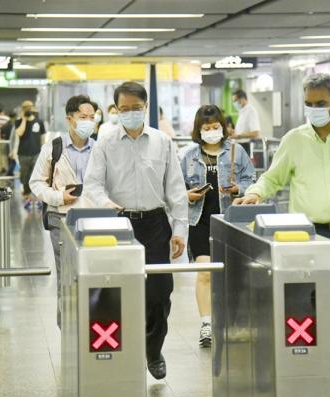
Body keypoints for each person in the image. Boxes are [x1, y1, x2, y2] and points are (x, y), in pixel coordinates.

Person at [234, 73, 330, 358]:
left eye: (320, 102)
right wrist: (255, 193)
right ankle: (305, 366)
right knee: (304, 305)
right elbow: (272, 178)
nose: (313, 108)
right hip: (306, 235)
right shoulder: (294, 139)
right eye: (308, 103)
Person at [83, 81, 188, 380]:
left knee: (158, 294)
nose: (129, 113)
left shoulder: (162, 142)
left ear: (145, 107)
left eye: (135, 108)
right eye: (123, 109)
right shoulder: (105, 141)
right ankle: (119, 349)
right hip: (119, 224)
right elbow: (92, 182)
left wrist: (179, 229)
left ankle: (153, 351)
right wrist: (107, 205)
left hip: (155, 224)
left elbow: (176, 191)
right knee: (116, 292)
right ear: (116, 110)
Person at [180, 105, 255, 347]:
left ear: (223, 127)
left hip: (231, 220)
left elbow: (250, 179)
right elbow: (177, 188)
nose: (212, 131)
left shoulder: (237, 151)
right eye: (207, 128)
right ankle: (206, 325)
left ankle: (232, 321)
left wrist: (238, 189)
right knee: (205, 274)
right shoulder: (189, 156)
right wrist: (187, 195)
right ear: (198, 130)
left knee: (233, 274)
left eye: (216, 127)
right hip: (200, 221)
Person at [30, 94, 96, 329]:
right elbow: (36, 183)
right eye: (83, 117)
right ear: (70, 119)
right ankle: (68, 330)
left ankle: (92, 326)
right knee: (66, 276)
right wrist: (59, 197)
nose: (88, 121)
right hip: (62, 218)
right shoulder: (53, 148)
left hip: (93, 218)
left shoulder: (100, 149)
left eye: (92, 117)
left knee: (93, 273)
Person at [15, 100, 46, 209]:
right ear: (23, 109)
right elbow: (19, 133)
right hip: (23, 153)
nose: (28, 109)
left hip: (36, 152)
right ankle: (28, 196)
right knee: (25, 175)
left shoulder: (39, 122)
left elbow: (43, 137)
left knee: (36, 176)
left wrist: (44, 151)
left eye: (30, 107)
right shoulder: (19, 122)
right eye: (26, 107)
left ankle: (37, 198)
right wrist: (24, 119)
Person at [0, 111, 17, 177]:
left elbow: (1, 134)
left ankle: (9, 171)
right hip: (13, 144)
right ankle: (10, 172)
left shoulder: (5, 125)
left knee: (9, 159)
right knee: (14, 159)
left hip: (6, 143)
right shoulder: (15, 125)